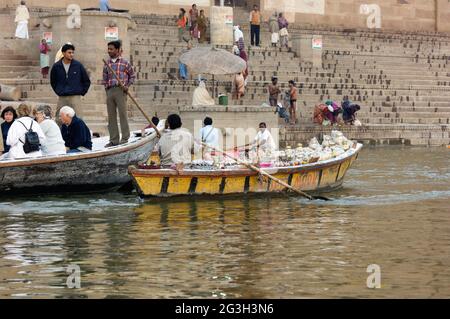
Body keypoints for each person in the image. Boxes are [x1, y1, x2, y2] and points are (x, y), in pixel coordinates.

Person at [102, 40, 136, 147]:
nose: (109, 51)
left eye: (111, 49)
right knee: (111, 116)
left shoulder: (125, 63)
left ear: (117, 50)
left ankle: (125, 137)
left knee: (122, 114)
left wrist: (127, 86)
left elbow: (132, 76)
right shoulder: (107, 64)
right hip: (110, 91)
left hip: (121, 90)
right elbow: (104, 78)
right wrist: (107, 89)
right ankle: (113, 140)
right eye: (108, 49)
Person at [50, 43, 91, 125]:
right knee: (59, 118)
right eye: (69, 52)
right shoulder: (56, 66)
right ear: (63, 53)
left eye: (72, 52)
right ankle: (60, 136)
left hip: (75, 96)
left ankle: (78, 137)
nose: (71, 54)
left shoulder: (78, 65)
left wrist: (81, 92)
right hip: (62, 97)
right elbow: (53, 81)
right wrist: (59, 91)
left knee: (78, 119)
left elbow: (86, 80)